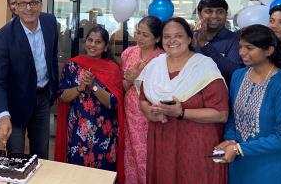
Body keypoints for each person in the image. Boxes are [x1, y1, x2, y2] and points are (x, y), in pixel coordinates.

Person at [139, 17, 228, 184]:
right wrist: (149, 113)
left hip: (197, 145)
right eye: (166, 36)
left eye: (178, 35)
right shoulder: (154, 65)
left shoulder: (204, 67)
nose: (172, 41)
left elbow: (221, 114)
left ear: (189, 39)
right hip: (163, 140)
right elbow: (143, 99)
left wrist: (181, 113)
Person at [216, 24, 281, 184]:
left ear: (269, 50)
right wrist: (231, 140)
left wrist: (239, 149)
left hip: (271, 165)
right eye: (240, 47)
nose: (241, 53)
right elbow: (233, 118)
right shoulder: (238, 76)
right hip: (240, 164)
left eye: (249, 48)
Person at [0, 0, 58, 159]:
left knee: (41, 154)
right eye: (22, 4)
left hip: (42, 99)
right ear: (15, 7)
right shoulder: (4, 36)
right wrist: (3, 116)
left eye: (33, 3)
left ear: (41, 4)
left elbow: (53, 59)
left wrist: (53, 90)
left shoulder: (50, 23)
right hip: (15, 104)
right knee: (16, 157)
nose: (28, 8)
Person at [54, 25, 125, 183]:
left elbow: (113, 103)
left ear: (105, 46)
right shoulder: (72, 66)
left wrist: (93, 86)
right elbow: (62, 97)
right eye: (90, 40)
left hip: (104, 134)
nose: (92, 45)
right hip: (78, 134)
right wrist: (80, 87)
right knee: (77, 175)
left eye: (98, 42)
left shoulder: (112, 69)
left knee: (102, 176)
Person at [121, 16, 163, 184]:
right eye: (138, 33)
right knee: (130, 152)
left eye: (145, 35)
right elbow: (124, 87)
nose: (139, 38)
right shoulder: (128, 53)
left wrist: (139, 78)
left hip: (152, 113)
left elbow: (164, 90)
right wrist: (130, 80)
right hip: (131, 111)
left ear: (157, 38)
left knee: (147, 155)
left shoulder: (162, 58)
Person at [193, 0, 243, 84]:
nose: (214, 16)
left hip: (221, 94)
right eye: (209, 11)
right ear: (199, 14)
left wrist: (205, 45)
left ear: (226, 15)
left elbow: (235, 72)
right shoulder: (190, 37)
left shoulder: (235, 39)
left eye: (220, 12)